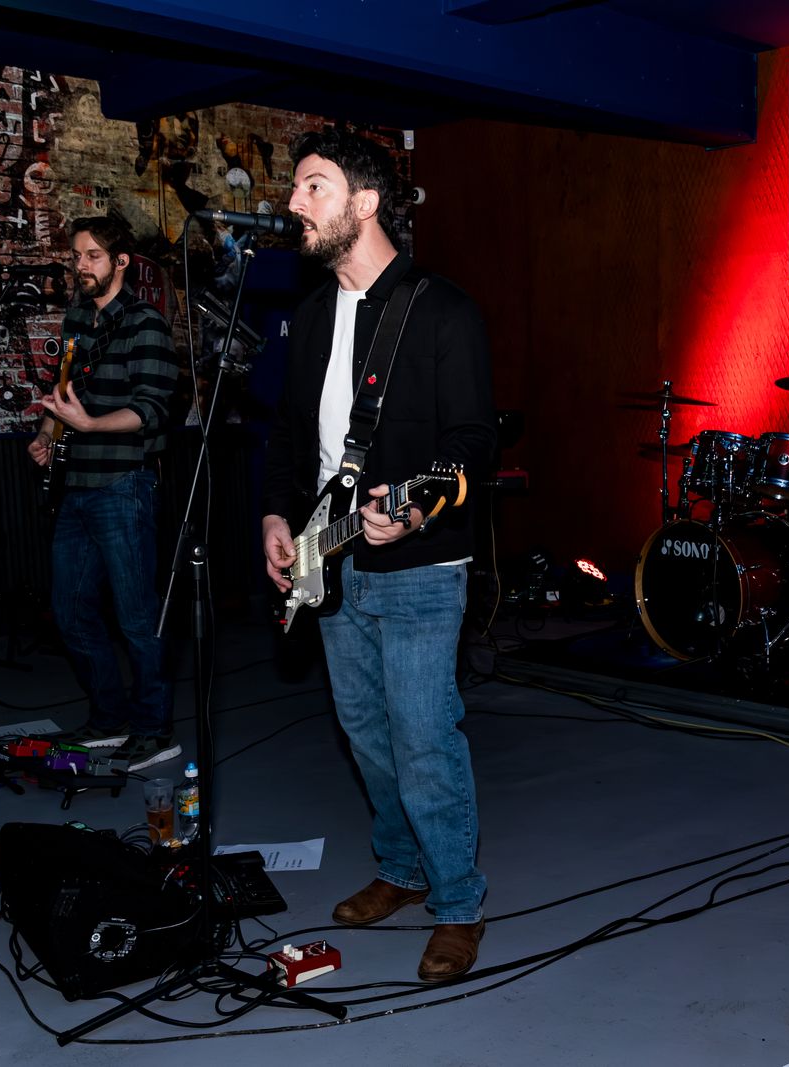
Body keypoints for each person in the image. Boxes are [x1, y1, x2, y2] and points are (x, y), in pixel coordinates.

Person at [260, 129, 495, 982]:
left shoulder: (442, 311)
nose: (294, 202)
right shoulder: (313, 316)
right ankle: (400, 865)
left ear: (364, 202)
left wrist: (418, 507)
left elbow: (472, 442)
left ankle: (458, 901)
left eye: (312, 186)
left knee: (424, 737)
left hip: (420, 566)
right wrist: (277, 515)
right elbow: (290, 438)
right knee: (365, 732)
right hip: (333, 560)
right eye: (296, 187)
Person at [26, 216, 181, 772]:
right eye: (76, 255)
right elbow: (65, 392)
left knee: (137, 618)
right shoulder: (76, 320)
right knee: (69, 610)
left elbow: (152, 410)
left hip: (123, 485)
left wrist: (90, 425)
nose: (81, 265)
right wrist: (47, 434)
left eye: (93, 255)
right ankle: (110, 717)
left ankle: (153, 729)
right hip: (76, 487)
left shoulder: (145, 323)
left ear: (121, 263)